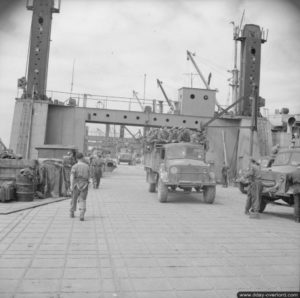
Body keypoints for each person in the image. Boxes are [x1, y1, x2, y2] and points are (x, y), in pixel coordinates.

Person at [70, 152, 90, 221]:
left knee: (74, 198)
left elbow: (72, 176)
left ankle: (72, 211)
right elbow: (89, 176)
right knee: (83, 199)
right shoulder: (87, 166)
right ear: (83, 157)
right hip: (85, 184)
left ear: (76, 158)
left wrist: (71, 185)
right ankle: (82, 212)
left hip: (76, 184)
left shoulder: (74, 166)